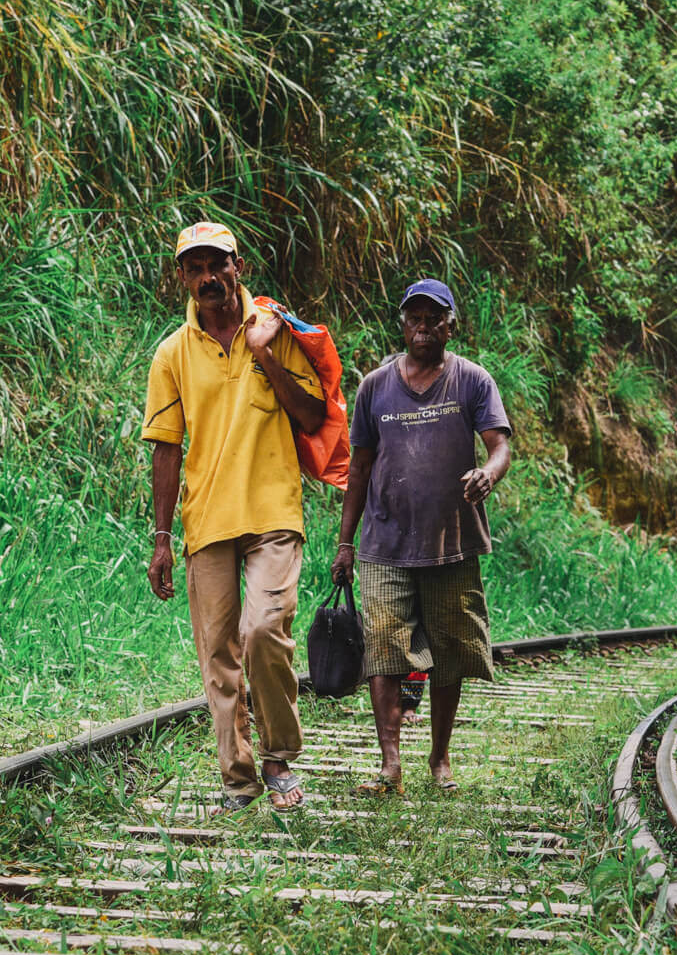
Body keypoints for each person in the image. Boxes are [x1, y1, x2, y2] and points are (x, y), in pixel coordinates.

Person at [143, 221, 325, 813]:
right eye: (194, 268)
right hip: (208, 521)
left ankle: (278, 758)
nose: (207, 278)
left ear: (237, 266)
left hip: (273, 509)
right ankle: (238, 780)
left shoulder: (274, 327)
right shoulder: (171, 353)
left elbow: (312, 413)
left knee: (264, 631)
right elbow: (166, 446)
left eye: (215, 265)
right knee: (218, 653)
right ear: (182, 278)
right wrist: (162, 538)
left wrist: (265, 352)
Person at [331, 279, 512, 794]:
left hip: (450, 543)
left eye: (434, 318)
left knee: (450, 653)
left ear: (451, 326)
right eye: (415, 318)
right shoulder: (375, 387)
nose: (424, 327)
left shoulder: (473, 381)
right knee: (384, 651)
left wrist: (489, 474)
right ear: (403, 324)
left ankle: (439, 758)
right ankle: (390, 765)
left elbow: (498, 446)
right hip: (385, 543)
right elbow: (359, 468)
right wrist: (345, 544)